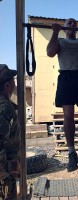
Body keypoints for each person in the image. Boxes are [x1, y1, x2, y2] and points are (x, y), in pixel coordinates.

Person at [47, 18, 78, 172]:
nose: (72, 25)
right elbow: (49, 53)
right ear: (64, 28)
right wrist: (55, 32)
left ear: (77, 28)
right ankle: (71, 154)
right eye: (69, 23)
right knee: (67, 115)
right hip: (66, 77)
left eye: (74, 24)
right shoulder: (60, 41)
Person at [0, 64, 20, 199]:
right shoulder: (4, 108)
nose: (14, 83)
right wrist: (8, 167)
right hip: (3, 178)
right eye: (13, 80)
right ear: (7, 85)